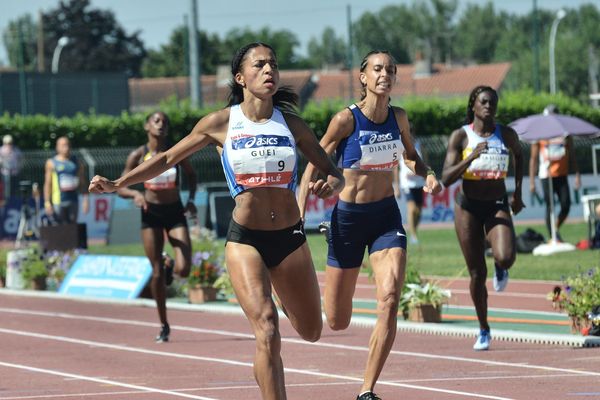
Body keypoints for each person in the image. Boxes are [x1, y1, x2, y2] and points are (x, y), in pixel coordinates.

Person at [90, 42, 344, 400]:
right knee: (268, 330)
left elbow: (334, 173)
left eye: (273, 64)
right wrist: (119, 183)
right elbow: (166, 158)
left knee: (311, 330)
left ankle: (267, 356)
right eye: (259, 65)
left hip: (290, 238)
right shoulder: (221, 123)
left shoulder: (293, 124)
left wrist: (331, 184)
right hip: (246, 241)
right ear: (240, 77)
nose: (269, 70)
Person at [298, 50, 441, 400]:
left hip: (385, 217)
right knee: (336, 320)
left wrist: (428, 173)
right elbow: (314, 166)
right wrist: (298, 217)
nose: (385, 75)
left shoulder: (399, 118)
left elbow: (410, 156)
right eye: (378, 69)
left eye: (391, 70)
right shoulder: (345, 121)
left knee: (390, 296)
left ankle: (367, 390)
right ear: (363, 77)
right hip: (347, 219)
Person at [441, 85, 524, 351]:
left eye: (493, 102)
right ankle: (484, 329)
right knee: (477, 273)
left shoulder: (506, 134)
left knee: (506, 256)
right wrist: (471, 158)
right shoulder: (461, 137)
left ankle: (501, 265)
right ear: (473, 106)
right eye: (484, 102)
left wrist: (518, 193)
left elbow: (520, 155)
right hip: (467, 208)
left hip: (497, 204)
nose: (489, 106)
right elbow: (446, 178)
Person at [117, 111, 197, 343]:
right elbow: (120, 186)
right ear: (147, 126)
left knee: (183, 269)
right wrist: (135, 194)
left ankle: (169, 261)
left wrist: (191, 200)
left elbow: (192, 176)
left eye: (164, 122)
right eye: (156, 121)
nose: (161, 125)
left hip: (175, 211)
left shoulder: (175, 152)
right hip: (150, 213)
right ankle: (163, 324)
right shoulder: (138, 155)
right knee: (156, 272)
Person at [529, 105, 580, 242]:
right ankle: (553, 236)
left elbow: (572, 155)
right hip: (546, 175)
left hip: (562, 175)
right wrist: (532, 181)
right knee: (549, 205)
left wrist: (577, 175)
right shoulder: (539, 134)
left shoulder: (565, 133)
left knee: (566, 204)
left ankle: (555, 229)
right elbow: (533, 159)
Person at [43, 136, 89, 224]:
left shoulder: (77, 162)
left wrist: (86, 200)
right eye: (63, 145)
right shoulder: (51, 163)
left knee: (72, 229)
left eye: (68, 145)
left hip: (73, 200)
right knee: (60, 228)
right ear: (57, 147)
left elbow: (83, 182)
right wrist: (47, 202)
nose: (66, 148)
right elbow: (48, 184)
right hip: (58, 201)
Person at [394, 130, 426, 245]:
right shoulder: (400, 147)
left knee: (419, 210)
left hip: (419, 182)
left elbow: (424, 161)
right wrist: (397, 186)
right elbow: (396, 168)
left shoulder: (419, 145)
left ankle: (414, 230)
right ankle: (413, 235)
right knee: (412, 209)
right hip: (407, 183)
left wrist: (427, 174)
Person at [0, 134, 23, 201]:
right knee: (6, 188)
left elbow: (20, 159)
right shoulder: (1, 150)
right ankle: (6, 200)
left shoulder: (16, 150)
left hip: (14, 172)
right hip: (5, 172)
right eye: (7, 143)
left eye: (10, 143)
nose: (9, 144)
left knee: (15, 187)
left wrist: (19, 167)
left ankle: (14, 200)